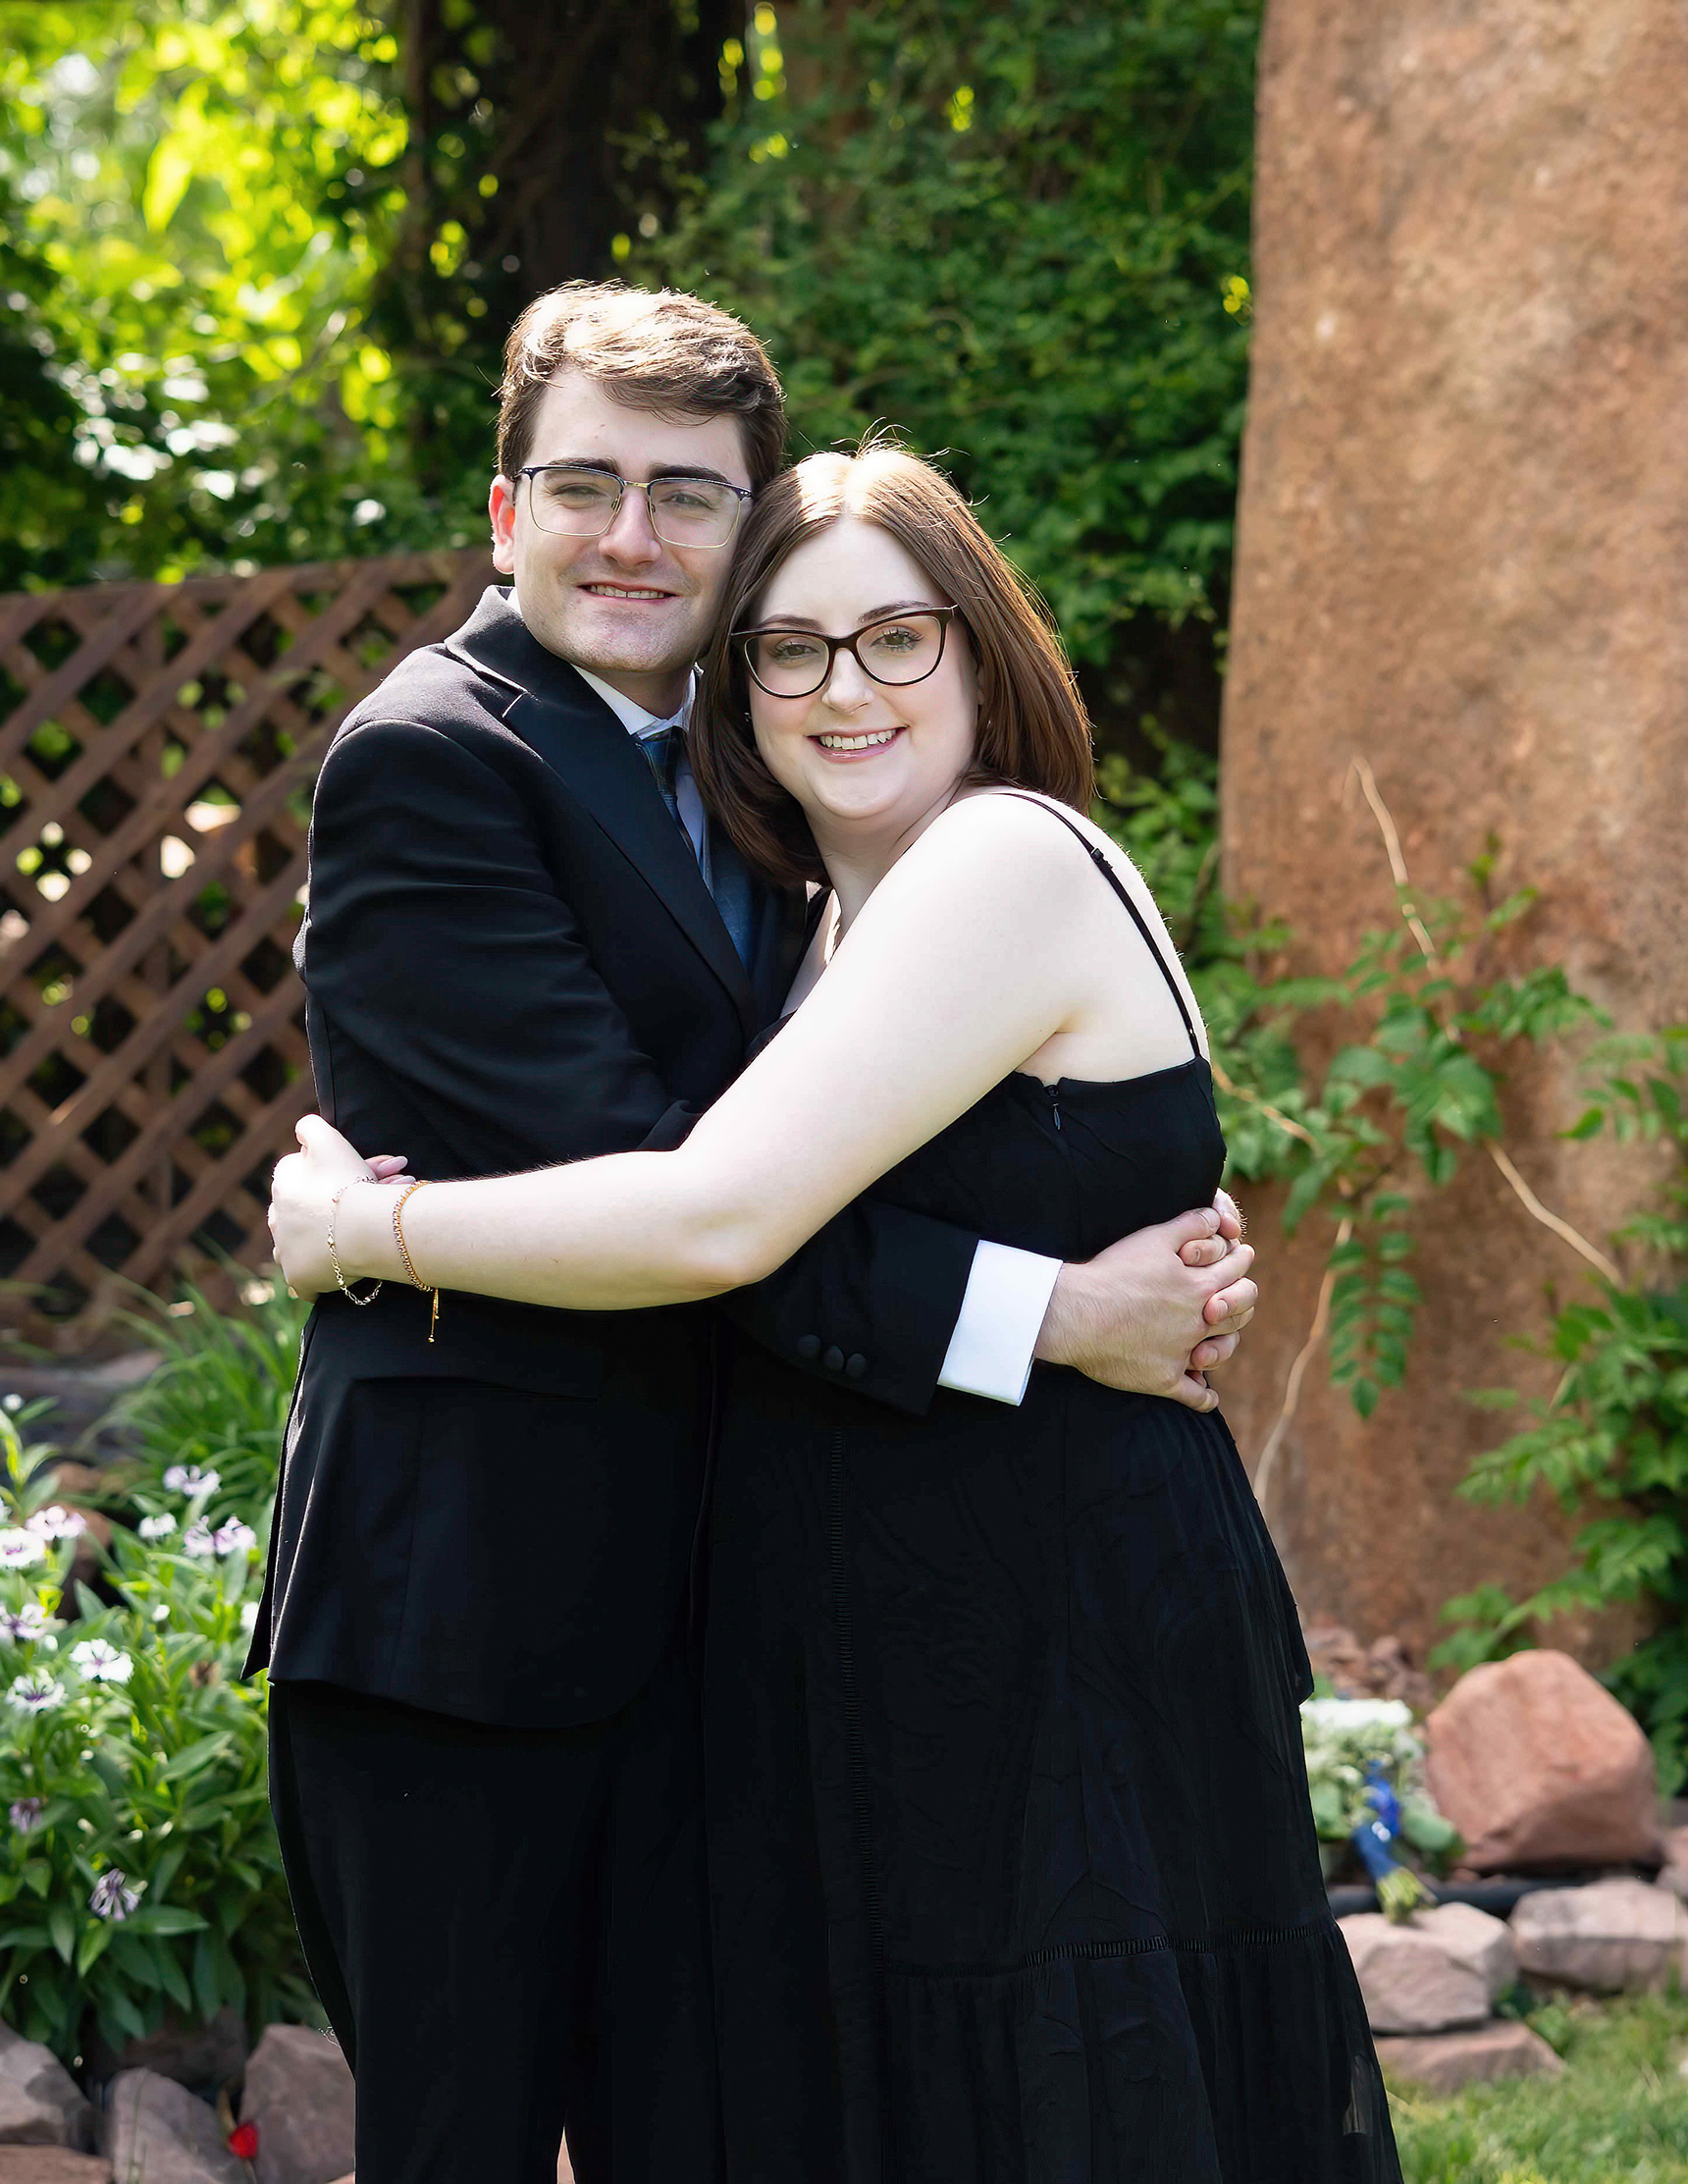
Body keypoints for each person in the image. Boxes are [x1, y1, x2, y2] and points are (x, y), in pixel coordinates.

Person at [268, 440, 1399, 2181]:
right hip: (901, 1622)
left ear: (983, 651)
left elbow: (720, 1217)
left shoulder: (1003, 860)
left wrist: (370, 1226)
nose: (845, 688)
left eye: (896, 637)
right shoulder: (817, 926)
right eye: (790, 649)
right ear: (739, 691)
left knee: (1064, 2100)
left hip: (1046, 1614)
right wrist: (1042, 1303)